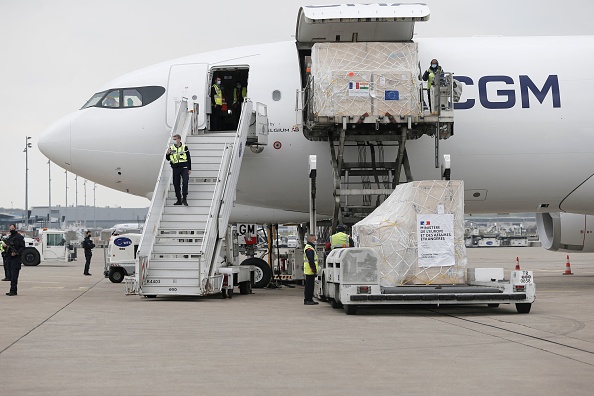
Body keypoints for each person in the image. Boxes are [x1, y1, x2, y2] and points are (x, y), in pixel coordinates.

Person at [166, 133, 192, 206]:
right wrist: (167, 154)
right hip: (175, 168)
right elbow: (168, 159)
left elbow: (188, 158)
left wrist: (189, 168)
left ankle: (184, 198)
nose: (174, 141)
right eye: (173, 139)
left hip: (184, 167)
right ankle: (178, 199)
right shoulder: (171, 148)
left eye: (175, 139)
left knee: (185, 182)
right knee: (176, 184)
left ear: (179, 139)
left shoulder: (184, 147)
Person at [5, 224, 25, 296]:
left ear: (15, 228)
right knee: (10, 275)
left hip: (16, 259)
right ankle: (12, 290)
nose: (11, 230)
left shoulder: (19, 237)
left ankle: (13, 291)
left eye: (12, 228)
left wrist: (16, 253)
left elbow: (22, 248)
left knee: (14, 275)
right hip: (9, 258)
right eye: (10, 229)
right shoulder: (10, 237)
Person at [303, 234, 319, 306]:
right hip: (310, 270)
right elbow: (311, 260)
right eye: (315, 239)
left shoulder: (309, 247)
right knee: (309, 286)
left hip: (309, 270)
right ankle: (308, 300)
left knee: (309, 285)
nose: (315, 241)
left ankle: (309, 299)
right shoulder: (309, 249)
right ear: (311, 240)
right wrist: (314, 269)